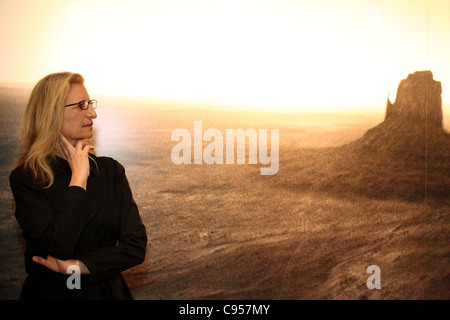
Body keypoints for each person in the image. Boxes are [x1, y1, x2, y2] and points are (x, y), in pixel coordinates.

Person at [9, 72, 147, 300]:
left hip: (109, 294)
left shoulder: (110, 171)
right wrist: (79, 179)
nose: (93, 113)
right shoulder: (27, 179)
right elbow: (59, 245)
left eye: (90, 104)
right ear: (51, 114)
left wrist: (80, 267)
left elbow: (136, 246)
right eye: (81, 105)